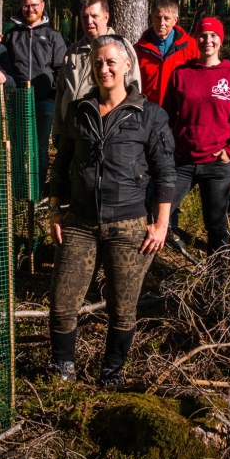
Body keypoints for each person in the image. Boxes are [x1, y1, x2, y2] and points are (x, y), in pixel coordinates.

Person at [48, 36, 175, 386]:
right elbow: (61, 164)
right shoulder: (78, 110)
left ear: (127, 66)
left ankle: (111, 374)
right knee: (62, 304)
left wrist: (161, 224)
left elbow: (166, 171)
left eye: (110, 62)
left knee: (122, 308)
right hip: (79, 222)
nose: (103, 69)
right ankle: (62, 371)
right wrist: (55, 209)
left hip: (129, 224)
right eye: (98, 62)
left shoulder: (148, 114)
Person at [164, 17, 230, 255]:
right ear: (196, 39)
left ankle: (216, 282)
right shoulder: (182, 74)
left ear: (221, 40)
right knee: (158, 212)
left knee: (216, 226)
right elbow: (166, 116)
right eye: (202, 35)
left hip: (217, 164)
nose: (207, 40)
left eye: (213, 36)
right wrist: (170, 147)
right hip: (183, 162)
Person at [52, 0, 140, 143]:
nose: (89, 22)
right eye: (85, 17)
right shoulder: (72, 52)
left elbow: (134, 90)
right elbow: (61, 93)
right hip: (71, 132)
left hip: (103, 134)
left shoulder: (121, 47)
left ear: (106, 17)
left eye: (94, 16)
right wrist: (58, 131)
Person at [4, 0, 68, 189]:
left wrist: (53, 96)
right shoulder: (11, 35)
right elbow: (4, 65)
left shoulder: (53, 35)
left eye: (34, 5)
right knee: (18, 147)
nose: (30, 9)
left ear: (42, 6)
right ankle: (19, 190)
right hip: (17, 100)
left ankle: (37, 190)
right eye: (26, 5)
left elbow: (61, 69)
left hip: (44, 101)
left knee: (39, 149)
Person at [134, 0, 199, 107]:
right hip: (149, 114)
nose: (161, 23)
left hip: (180, 114)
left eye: (166, 18)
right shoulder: (138, 50)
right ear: (152, 18)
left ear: (175, 20)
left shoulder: (191, 47)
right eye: (158, 17)